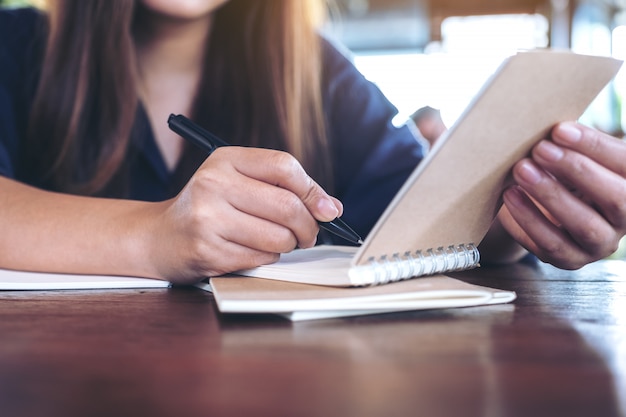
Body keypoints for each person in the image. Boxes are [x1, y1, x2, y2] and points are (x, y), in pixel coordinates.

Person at [1, 0, 625, 285]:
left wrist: (520, 208)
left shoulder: (320, 74)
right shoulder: (14, 45)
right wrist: (156, 233)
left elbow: (415, 215)